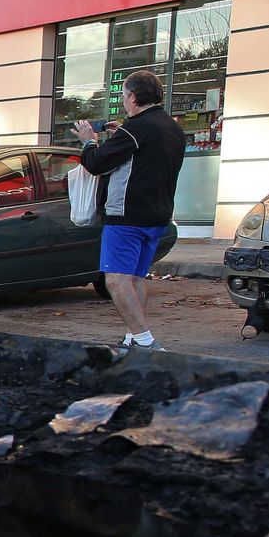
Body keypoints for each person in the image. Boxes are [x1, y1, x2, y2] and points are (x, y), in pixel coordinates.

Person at [74, 70, 185, 351]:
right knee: (135, 278)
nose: (123, 102)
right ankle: (132, 337)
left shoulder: (136, 129)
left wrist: (89, 140)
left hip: (127, 215)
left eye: (123, 96)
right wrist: (119, 135)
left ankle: (146, 341)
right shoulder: (171, 127)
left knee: (115, 279)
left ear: (133, 97)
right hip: (158, 215)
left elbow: (96, 163)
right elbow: (142, 157)